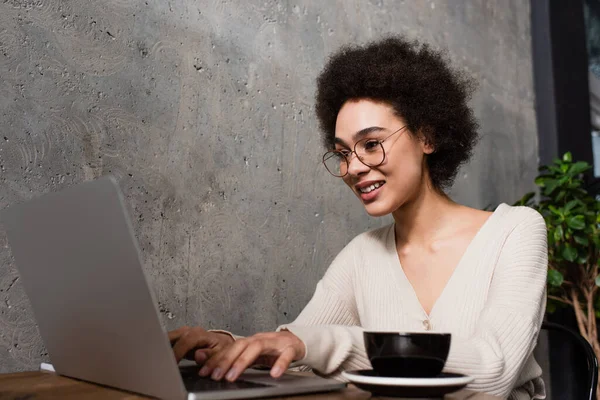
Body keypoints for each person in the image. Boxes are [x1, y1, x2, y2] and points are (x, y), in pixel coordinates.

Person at [168, 36, 547, 400]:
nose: (353, 167)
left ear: (427, 136)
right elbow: (301, 351)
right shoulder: (362, 255)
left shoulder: (516, 231)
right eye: (343, 153)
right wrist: (234, 346)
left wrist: (325, 344)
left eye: (371, 144)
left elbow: (493, 371)